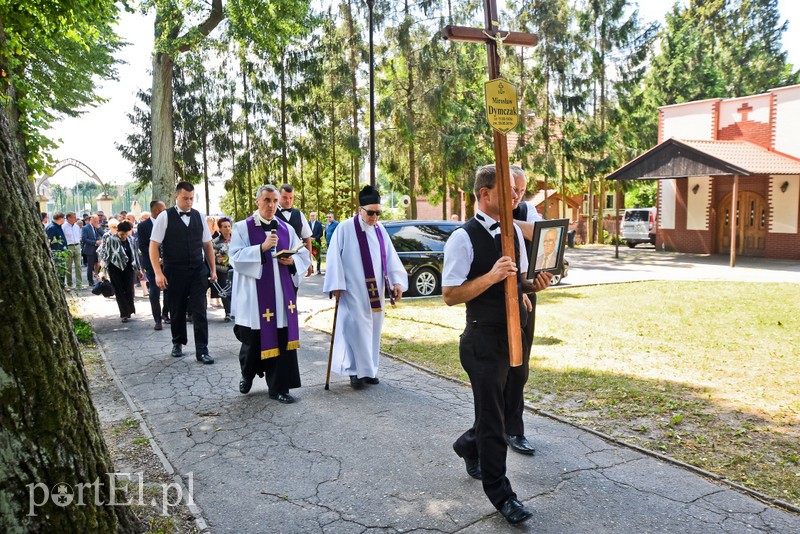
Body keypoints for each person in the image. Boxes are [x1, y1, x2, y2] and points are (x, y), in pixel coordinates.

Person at [442, 164, 552, 525]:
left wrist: (533, 285)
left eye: (517, 191)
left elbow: (518, 281)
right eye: (507, 191)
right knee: (493, 419)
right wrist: (489, 277)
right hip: (482, 340)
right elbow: (450, 294)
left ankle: (466, 445)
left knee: (503, 410)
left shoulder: (514, 235)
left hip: (513, 337)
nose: (516, 197)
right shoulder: (462, 238)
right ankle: (502, 494)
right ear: (485, 194)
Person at [229, 185, 311, 402]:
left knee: (282, 341)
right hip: (254, 300)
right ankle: (247, 374)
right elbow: (234, 258)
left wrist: (293, 261)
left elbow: (304, 255)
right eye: (267, 200)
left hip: (281, 298)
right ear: (257, 201)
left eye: (275, 200)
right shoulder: (242, 228)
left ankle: (279, 388)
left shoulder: (286, 229)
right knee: (254, 343)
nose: (271, 205)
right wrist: (261, 248)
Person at [322, 185, 407, 388]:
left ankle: (369, 371)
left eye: (378, 212)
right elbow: (334, 257)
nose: (374, 217)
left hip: (376, 290)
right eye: (371, 213)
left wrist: (397, 282)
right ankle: (354, 372)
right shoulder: (344, 228)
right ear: (360, 210)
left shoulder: (380, 230)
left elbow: (390, 257)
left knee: (373, 329)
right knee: (356, 328)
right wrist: (336, 284)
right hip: (352, 290)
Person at [149, 182, 217, 365]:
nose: (189, 202)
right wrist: (158, 273)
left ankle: (202, 350)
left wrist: (213, 269)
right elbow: (153, 246)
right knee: (176, 309)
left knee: (200, 310)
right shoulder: (165, 217)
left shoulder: (199, 217)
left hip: (197, 270)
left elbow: (207, 245)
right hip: (174, 270)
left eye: (191, 198)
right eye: (185, 198)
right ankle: (177, 342)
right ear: (176, 196)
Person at [504, 165, 544, 456]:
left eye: (521, 189)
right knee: (498, 368)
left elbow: (543, 235)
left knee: (521, 367)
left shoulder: (526, 210)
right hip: (500, 298)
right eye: (513, 189)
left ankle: (514, 429)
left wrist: (510, 223)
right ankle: (493, 427)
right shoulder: (489, 211)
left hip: (528, 292)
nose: (518, 195)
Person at [101, 221, 143, 322]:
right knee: (119, 291)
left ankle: (129, 309)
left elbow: (135, 254)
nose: (123, 236)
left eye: (125, 234)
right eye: (121, 234)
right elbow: (107, 255)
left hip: (128, 268)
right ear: (117, 232)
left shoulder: (131, 240)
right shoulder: (111, 240)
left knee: (129, 289)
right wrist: (104, 271)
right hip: (114, 267)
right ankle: (124, 313)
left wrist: (139, 269)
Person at [138, 200, 169, 331]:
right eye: (163, 210)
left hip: (167, 263)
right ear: (156, 211)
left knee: (169, 290)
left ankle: (165, 314)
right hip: (151, 264)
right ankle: (157, 319)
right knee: (154, 292)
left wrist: (165, 258)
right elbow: (143, 246)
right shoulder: (143, 226)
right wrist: (157, 258)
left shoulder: (168, 223)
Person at [277, 184, 313, 277]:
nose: (288, 200)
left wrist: (308, 262)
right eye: (285, 197)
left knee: (293, 290)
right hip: (276, 262)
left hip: (296, 262)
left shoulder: (299, 215)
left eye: (291, 198)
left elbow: (307, 238)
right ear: (278, 196)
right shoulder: (271, 213)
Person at [212, 217, 233, 322]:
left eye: (229, 226)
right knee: (225, 290)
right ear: (220, 228)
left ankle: (236, 311)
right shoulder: (215, 241)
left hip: (235, 269)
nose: (227, 229)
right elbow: (211, 255)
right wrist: (217, 258)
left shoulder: (236, 239)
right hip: (222, 270)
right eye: (225, 227)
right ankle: (228, 312)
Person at [45, 212, 68, 288]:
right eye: (63, 218)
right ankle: (60, 286)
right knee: (59, 270)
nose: (64, 220)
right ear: (60, 218)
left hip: (61, 252)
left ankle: (62, 286)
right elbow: (48, 240)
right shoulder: (52, 228)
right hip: (56, 253)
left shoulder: (58, 226)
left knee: (62, 270)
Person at [62, 212, 84, 289]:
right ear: (68, 218)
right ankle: (69, 283)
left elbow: (79, 235)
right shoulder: (63, 227)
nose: (75, 218)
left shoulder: (76, 226)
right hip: (68, 247)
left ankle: (79, 284)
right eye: (73, 217)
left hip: (77, 246)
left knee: (78, 265)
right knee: (68, 266)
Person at [82, 215, 103, 284]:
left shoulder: (97, 227)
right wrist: (95, 242)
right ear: (91, 219)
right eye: (95, 221)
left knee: (98, 264)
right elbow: (84, 239)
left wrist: (99, 228)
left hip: (97, 249)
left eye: (97, 221)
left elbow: (103, 234)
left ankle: (97, 276)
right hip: (90, 249)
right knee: (90, 266)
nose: (96, 222)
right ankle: (90, 281)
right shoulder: (85, 228)